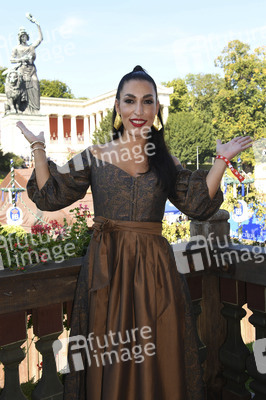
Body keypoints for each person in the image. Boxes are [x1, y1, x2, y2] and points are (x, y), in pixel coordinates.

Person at [17, 66, 252, 400]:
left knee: (158, 352)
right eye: (130, 101)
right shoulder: (94, 156)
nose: (138, 111)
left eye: (147, 102)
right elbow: (52, 194)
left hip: (156, 274)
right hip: (106, 271)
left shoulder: (164, 159)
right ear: (117, 106)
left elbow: (197, 203)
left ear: (156, 108)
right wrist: (38, 146)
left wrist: (221, 160)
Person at [10, 15, 43, 113]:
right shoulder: (16, 48)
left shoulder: (31, 47)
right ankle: (23, 109)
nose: (24, 38)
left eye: (25, 36)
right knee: (23, 89)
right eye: (22, 36)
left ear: (27, 37)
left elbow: (40, 39)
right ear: (20, 37)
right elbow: (11, 59)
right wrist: (21, 59)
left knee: (35, 86)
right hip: (22, 70)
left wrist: (38, 25)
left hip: (32, 69)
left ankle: (35, 109)